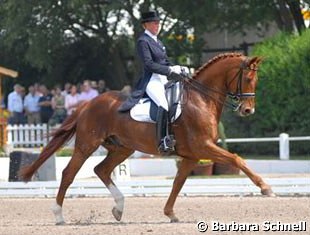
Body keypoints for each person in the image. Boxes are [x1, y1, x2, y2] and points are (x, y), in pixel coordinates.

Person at [118, 10, 188, 154]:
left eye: (158, 23)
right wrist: (169, 71)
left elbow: (165, 61)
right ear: (146, 25)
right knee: (164, 104)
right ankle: (163, 141)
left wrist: (177, 67)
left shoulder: (158, 41)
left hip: (164, 79)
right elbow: (149, 65)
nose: (157, 25)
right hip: (152, 80)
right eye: (154, 23)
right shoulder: (143, 41)